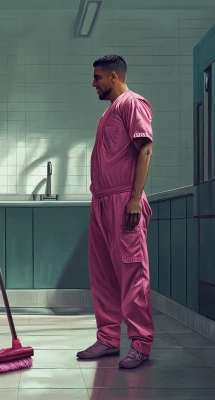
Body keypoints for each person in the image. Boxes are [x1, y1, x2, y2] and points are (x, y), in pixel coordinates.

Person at [76, 55, 154, 369]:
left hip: (124, 200)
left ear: (112, 76)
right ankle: (108, 339)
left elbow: (145, 149)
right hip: (102, 201)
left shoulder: (133, 104)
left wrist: (134, 199)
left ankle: (141, 343)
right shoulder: (108, 113)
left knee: (132, 273)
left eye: (97, 78)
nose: (94, 84)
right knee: (104, 274)